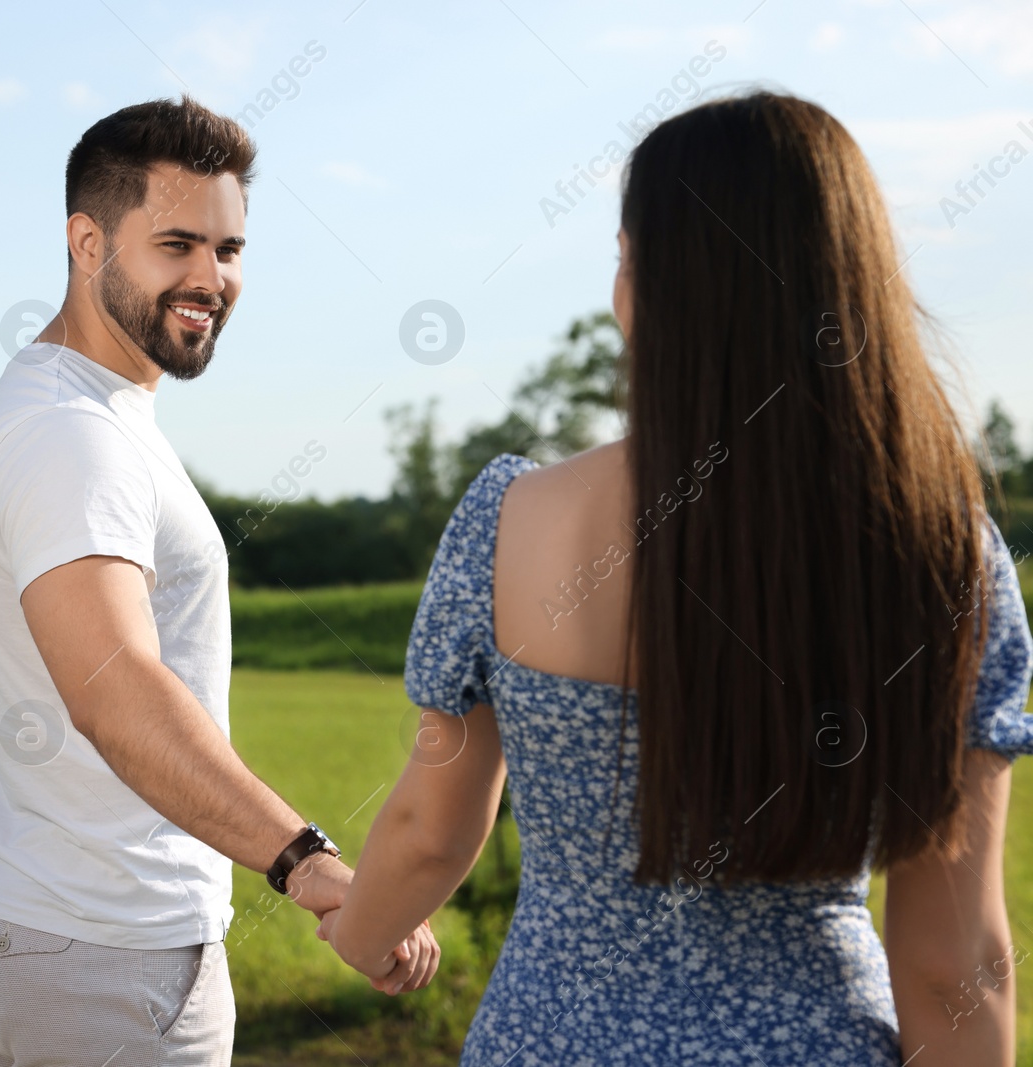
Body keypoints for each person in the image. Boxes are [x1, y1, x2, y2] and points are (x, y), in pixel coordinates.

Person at [319, 90, 1033, 1065]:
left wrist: (362, 933)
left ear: (643, 280)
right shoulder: (946, 553)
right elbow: (955, 958)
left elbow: (430, 830)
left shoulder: (512, 520)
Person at [0, 96, 436, 1067]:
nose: (210, 278)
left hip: (15, 925)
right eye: (177, 243)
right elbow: (116, 689)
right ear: (87, 241)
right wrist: (305, 858)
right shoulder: (73, 436)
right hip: (102, 954)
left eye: (229, 249)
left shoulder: (73, 406)